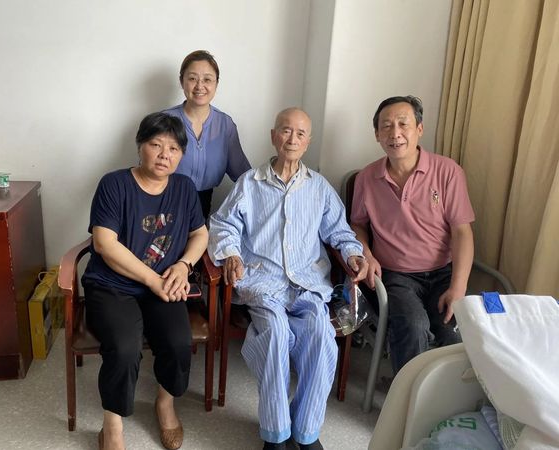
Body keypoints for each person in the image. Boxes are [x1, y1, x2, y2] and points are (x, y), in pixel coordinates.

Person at [209, 108, 368, 450]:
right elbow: (223, 224)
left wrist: (353, 254)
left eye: (300, 133)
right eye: (285, 131)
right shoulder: (249, 183)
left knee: (321, 335)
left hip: (308, 284)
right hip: (263, 283)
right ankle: (276, 433)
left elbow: (340, 232)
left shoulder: (319, 187)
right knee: (276, 334)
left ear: (308, 141)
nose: (292, 139)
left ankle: (306, 431)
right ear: (273, 136)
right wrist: (231, 253)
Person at [81, 112, 208, 450]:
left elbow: (200, 234)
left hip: (163, 284)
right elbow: (104, 244)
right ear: (140, 146)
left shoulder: (184, 188)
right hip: (111, 285)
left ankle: (164, 403)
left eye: (174, 148)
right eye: (156, 145)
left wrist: (183, 265)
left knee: (179, 343)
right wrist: (152, 279)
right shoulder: (114, 184)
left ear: (181, 155)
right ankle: (112, 426)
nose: (165, 155)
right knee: (124, 349)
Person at [350, 95, 475, 375]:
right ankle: (407, 395)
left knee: (454, 330)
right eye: (386, 126)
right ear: (377, 134)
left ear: (419, 129)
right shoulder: (367, 178)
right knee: (413, 325)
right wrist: (367, 254)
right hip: (396, 275)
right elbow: (357, 225)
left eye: (403, 124)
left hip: (443, 272)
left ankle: (445, 395)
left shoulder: (448, 172)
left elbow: (462, 232)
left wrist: (458, 287)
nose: (395, 133)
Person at [163, 50, 251, 218]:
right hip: (163, 202)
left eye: (207, 79)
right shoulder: (164, 121)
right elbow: (147, 169)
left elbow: (243, 174)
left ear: (216, 83)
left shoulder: (225, 125)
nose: (199, 86)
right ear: (182, 81)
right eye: (192, 78)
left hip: (203, 207)